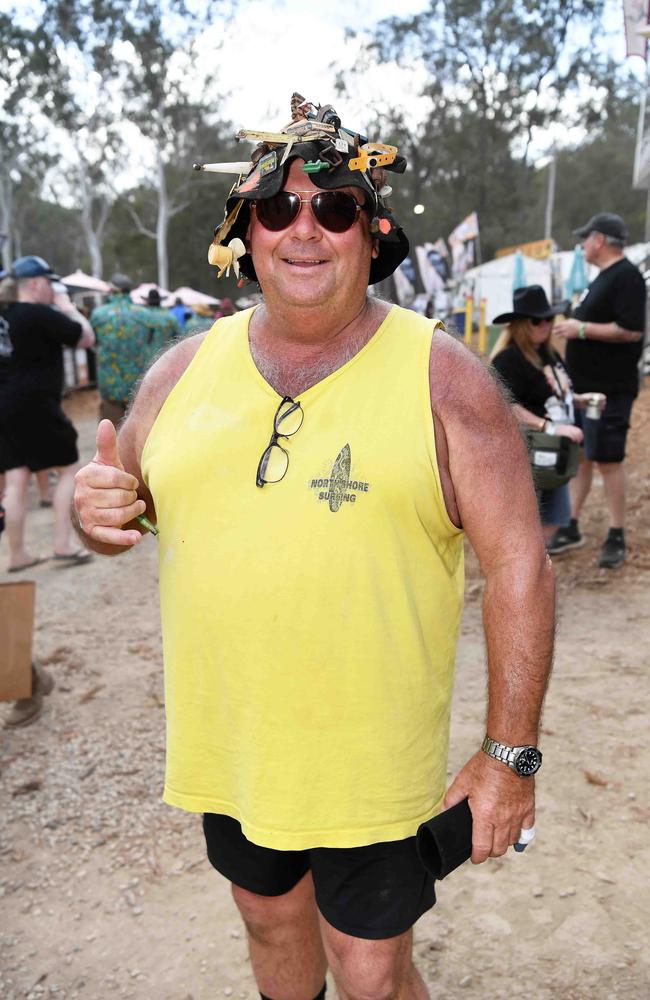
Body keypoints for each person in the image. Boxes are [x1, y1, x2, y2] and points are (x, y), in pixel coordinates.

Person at [72, 96, 554, 998]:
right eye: (278, 208)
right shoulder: (179, 373)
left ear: (370, 235)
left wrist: (509, 758)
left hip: (372, 769)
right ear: (244, 233)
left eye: (334, 209)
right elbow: (119, 506)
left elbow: (521, 564)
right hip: (234, 750)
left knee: (371, 969)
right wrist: (91, 515)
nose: (306, 229)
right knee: (266, 925)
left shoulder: (447, 378)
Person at [553, 213, 646, 568]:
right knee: (584, 458)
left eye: (585, 237)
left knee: (609, 459)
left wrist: (580, 329)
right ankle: (571, 524)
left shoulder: (627, 277)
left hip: (610, 388)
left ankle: (616, 533)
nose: (582, 245)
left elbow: (632, 330)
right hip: (588, 388)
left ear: (600, 240)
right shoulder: (604, 278)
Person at [0, 255, 95, 571]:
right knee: (69, 470)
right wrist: (66, 306)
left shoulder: (5, 316)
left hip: (5, 405)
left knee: (16, 479)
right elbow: (86, 337)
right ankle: (62, 545)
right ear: (38, 284)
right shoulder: (39, 314)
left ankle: (16, 555)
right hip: (36, 404)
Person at [490, 285, 595, 543]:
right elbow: (505, 404)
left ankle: (539, 563)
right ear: (520, 325)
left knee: (554, 516)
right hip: (526, 451)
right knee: (526, 519)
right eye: (538, 320)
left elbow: (554, 394)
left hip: (554, 450)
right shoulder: (507, 359)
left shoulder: (548, 352)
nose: (546, 325)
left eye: (550, 318)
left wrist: (581, 401)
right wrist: (548, 427)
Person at [90, 274, 172, 425]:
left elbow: (93, 342)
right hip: (137, 386)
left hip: (110, 385)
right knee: (138, 435)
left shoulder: (99, 314)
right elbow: (150, 340)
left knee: (111, 436)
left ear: (112, 290)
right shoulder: (144, 314)